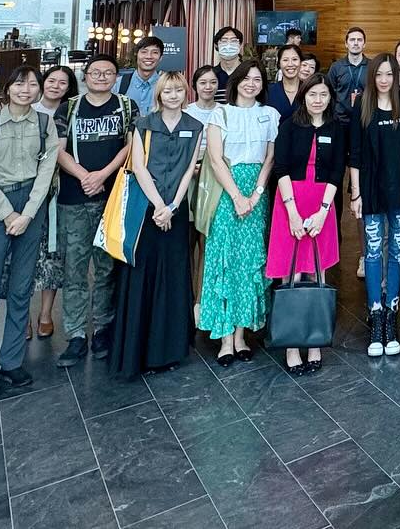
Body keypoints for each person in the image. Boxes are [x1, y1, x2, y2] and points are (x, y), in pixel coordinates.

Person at [0, 66, 58, 397]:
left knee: (21, 288)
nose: (26, 89)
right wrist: (7, 213)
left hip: (32, 204)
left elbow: (47, 171)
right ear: (7, 89)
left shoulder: (45, 124)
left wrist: (28, 213)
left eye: (32, 84)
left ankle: (12, 361)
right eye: (20, 83)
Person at [110, 73, 204, 380]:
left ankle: (170, 350)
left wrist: (173, 206)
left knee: (173, 275)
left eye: (178, 90)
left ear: (185, 93)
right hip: (146, 210)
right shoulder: (143, 125)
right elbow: (138, 167)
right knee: (142, 275)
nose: (173, 95)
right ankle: (138, 351)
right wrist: (159, 206)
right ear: (159, 95)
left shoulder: (195, 126)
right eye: (168, 91)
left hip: (176, 211)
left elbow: (189, 169)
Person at [55, 53, 133, 367]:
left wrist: (102, 175)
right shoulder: (68, 107)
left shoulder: (126, 106)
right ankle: (75, 334)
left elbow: (131, 146)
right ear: (85, 76)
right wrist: (85, 176)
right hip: (73, 198)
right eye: (95, 72)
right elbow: (58, 150)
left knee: (106, 268)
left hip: (112, 198)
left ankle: (102, 328)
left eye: (108, 72)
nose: (101, 77)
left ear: (116, 77)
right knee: (73, 269)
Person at [198, 61, 279, 364]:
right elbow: (215, 159)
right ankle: (225, 338)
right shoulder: (220, 113)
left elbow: (269, 159)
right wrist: (236, 196)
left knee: (249, 262)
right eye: (246, 78)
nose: (251, 83)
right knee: (225, 259)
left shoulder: (270, 114)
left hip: (256, 192)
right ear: (236, 81)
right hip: (226, 191)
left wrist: (255, 195)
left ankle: (242, 335)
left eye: (257, 79)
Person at [267, 75, 346, 374]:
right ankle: (291, 343)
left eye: (323, 94)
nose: (318, 100)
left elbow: (336, 171)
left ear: (330, 98)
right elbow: (281, 167)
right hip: (290, 202)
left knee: (317, 271)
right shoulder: (289, 126)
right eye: (313, 94)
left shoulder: (336, 128)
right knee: (292, 274)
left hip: (321, 203)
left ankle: (314, 340)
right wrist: (292, 213)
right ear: (304, 96)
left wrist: (323, 212)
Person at [350, 55, 400, 357]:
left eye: (389, 74)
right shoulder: (362, 105)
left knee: (398, 252)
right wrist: (356, 193)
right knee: (373, 252)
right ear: (372, 76)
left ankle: (391, 314)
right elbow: (355, 154)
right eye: (379, 74)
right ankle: (375, 315)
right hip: (371, 190)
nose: (384, 80)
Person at [29, 65, 76, 340]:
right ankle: (22, 315)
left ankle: (46, 313)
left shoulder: (72, 112)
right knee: (23, 254)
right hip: (26, 190)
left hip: (58, 190)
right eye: (52, 80)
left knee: (53, 254)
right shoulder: (27, 108)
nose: (56, 86)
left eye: (63, 83)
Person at [327, 26, 369, 123]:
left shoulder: (372, 66)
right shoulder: (336, 67)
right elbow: (329, 93)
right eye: (352, 40)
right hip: (340, 120)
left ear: (364, 44)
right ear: (346, 44)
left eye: (359, 40)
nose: (356, 43)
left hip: (365, 120)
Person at [116, 36, 164, 114]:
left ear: (161, 57)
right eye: (144, 52)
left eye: (155, 52)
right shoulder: (118, 84)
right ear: (136, 54)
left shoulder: (166, 85)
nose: (149, 56)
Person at [265, 45, 302, 119]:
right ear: (279, 64)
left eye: (294, 59)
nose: (290, 64)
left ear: (301, 62)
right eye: (285, 60)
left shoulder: (309, 90)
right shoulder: (268, 91)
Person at [210, 26, 244, 103]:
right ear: (216, 45)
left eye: (233, 41)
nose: (229, 45)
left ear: (240, 45)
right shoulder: (211, 74)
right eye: (224, 41)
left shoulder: (249, 72)